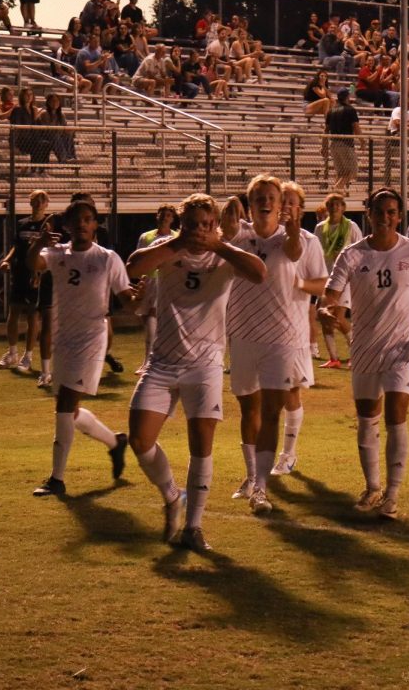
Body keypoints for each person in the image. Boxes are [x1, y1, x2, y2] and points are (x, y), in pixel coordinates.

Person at [125, 194, 266, 552]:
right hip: (163, 362)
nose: (199, 232)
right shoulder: (167, 248)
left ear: (216, 225)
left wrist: (219, 244)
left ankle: (194, 526)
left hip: (205, 364)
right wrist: (177, 242)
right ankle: (173, 495)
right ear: (181, 224)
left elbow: (259, 273)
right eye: (193, 224)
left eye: (207, 224)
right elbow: (133, 267)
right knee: (140, 440)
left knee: (201, 444)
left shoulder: (224, 255)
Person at [321, 187, 409, 520]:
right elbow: (330, 295)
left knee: (397, 416)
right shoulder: (352, 255)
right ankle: (373, 487)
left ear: (399, 216)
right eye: (380, 211)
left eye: (392, 212)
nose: (386, 217)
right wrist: (328, 311)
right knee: (367, 420)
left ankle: (392, 495)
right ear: (369, 214)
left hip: (402, 347)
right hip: (365, 347)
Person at [26, 198, 136, 497]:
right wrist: (38, 243)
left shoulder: (107, 258)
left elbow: (125, 294)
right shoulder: (57, 253)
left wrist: (138, 301)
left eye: (88, 219)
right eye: (77, 220)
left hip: (91, 337)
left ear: (95, 224)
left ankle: (57, 479)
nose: (82, 224)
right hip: (64, 337)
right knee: (69, 410)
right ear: (66, 226)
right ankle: (115, 443)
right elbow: (31, 263)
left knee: (63, 405)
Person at [220, 175, 310, 513]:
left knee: (272, 412)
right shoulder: (239, 235)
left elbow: (293, 251)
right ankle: (250, 475)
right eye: (258, 196)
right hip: (242, 336)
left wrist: (295, 229)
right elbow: (222, 240)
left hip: (280, 339)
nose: (265, 201)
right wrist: (226, 225)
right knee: (248, 410)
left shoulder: (287, 238)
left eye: (271, 196)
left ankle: (261, 486)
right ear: (250, 201)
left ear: (279, 202)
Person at [272, 181, 329, 477]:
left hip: (292, 328)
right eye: (283, 201)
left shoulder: (310, 241)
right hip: (261, 329)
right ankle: (259, 458)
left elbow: (322, 283)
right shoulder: (262, 238)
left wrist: (300, 284)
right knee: (260, 397)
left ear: (302, 210)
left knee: (290, 392)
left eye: (292, 202)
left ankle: (288, 454)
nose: (286, 207)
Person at [0, 190, 51, 378]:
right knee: (13, 313)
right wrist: (7, 260)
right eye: (35, 200)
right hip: (20, 272)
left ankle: (28, 356)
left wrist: (38, 272)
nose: (38, 203)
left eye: (41, 200)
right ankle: (12, 353)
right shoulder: (22, 223)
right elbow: (16, 246)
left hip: (35, 273)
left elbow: (47, 251)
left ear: (47, 204)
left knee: (32, 316)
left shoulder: (47, 226)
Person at [315, 192, 362, 369]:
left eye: (338, 204)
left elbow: (361, 250)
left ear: (343, 207)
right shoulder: (320, 228)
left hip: (346, 278)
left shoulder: (351, 226)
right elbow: (316, 252)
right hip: (327, 279)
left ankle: (356, 354)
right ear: (326, 208)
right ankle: (334, 358)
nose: (334, 207)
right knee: (326, 319)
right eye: (331, 204)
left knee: (339, 317)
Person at [132, 205, 178, 375]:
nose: (165, 217)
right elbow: (139, 258)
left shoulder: (177, 236)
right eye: (163, 214)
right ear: (157, 216)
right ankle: (149, 359)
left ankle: (151, 361)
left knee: (156, 315)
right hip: (150, 280)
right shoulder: (146, 237)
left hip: (168, 280)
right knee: (148, 318)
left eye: (168, 215)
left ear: (172, 218)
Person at [324, 88, 361, 192]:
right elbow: (356, 127)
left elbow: (325, 130)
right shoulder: (350, 110)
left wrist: (324, 146)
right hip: (346, 144)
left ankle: (336, 194)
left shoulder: (331, 111)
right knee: (353, 171)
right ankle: (336, 188)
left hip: (334, 144)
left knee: (341, 172)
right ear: (347, 97)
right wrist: (363, 141)